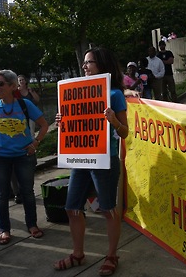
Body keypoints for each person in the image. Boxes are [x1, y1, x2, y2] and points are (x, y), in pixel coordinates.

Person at [53, 47, 128, 275]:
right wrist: (62, 122)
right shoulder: (77, 92)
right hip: (80, 158)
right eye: (84, 63)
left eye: (89, 62)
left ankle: (112, 255)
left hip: (104, 160)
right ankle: (78, 253)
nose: (84, 67)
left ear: (102, 65)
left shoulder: (114, 94)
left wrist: (113, 120)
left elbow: (125, 133)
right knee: (72, 208)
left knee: (107, 209)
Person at [0, 69, 48, 245]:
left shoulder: (24, 105)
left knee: (27, 193)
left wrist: (35, 143)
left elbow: (44, 125)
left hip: (24, 156)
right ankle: (4, 230)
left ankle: (32, 225)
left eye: (0, 84)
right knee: (1, 194)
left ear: (12, 86)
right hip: (0, 158)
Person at [10, 74, 41, 204]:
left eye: (23, 80)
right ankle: (18, 192)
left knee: (30, 135)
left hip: (30, 117)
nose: (21, 82)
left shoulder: (28, 93)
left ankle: (25, 191)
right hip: (17, 124)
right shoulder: (15, 93)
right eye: (19, 80)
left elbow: (37, 101)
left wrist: (36, 141)